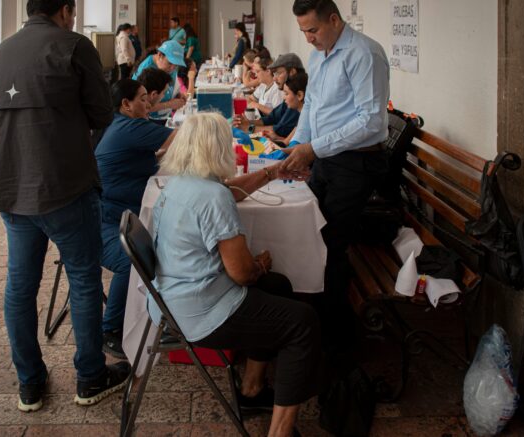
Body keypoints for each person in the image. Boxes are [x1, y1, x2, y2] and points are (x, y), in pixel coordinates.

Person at [0, 0, 130, 413]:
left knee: (20, 286)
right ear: (65, 10)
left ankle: (29, 384)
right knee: (83, 279)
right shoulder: (73, 46)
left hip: (12, 186)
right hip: (63, 184)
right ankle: (90, 377)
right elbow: (102, 113)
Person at [152, 112, 320, 437]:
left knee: (278, 286)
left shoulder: (180, 185)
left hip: (171, 300)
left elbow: (230, 192)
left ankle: (252, 389)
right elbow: (242, 274)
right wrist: (259, 265)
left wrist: (272, 172)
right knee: (303, 322)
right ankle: (280, 432)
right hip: (200, 312)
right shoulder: (212, 197)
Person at [282, 0, 390, 352]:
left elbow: (370, 121)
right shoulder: (318, 56)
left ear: (333, 19)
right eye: (303, 32)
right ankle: (311, 320)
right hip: (326, 156)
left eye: (313, 30)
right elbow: (312, 106)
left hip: (356, 163)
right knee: (306, 228)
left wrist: (313, 149)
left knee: (330, 242)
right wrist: (297, 144)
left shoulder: (364, 54)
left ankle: (337, 340)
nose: (308, 39)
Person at [96, 79, 177, 359]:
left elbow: (152, 153)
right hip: (105, 222)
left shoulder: (126, 125)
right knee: (131, 260)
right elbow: (183, 137)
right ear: (126, 104)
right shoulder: (128, 127)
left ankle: (158, 314)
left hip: (121, 214)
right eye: (142, 98)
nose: (149, 103)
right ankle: (111, 330)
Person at [132, 40, 188, 124]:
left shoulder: (171, 67)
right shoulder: (144, 70)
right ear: (160, 55)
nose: (172, 68)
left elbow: (170, 86)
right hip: (148, 119)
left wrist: (178, 94)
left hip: (165, 116)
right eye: (170, 63)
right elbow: (139, 107)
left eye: (176, 65)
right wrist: (169, 104)